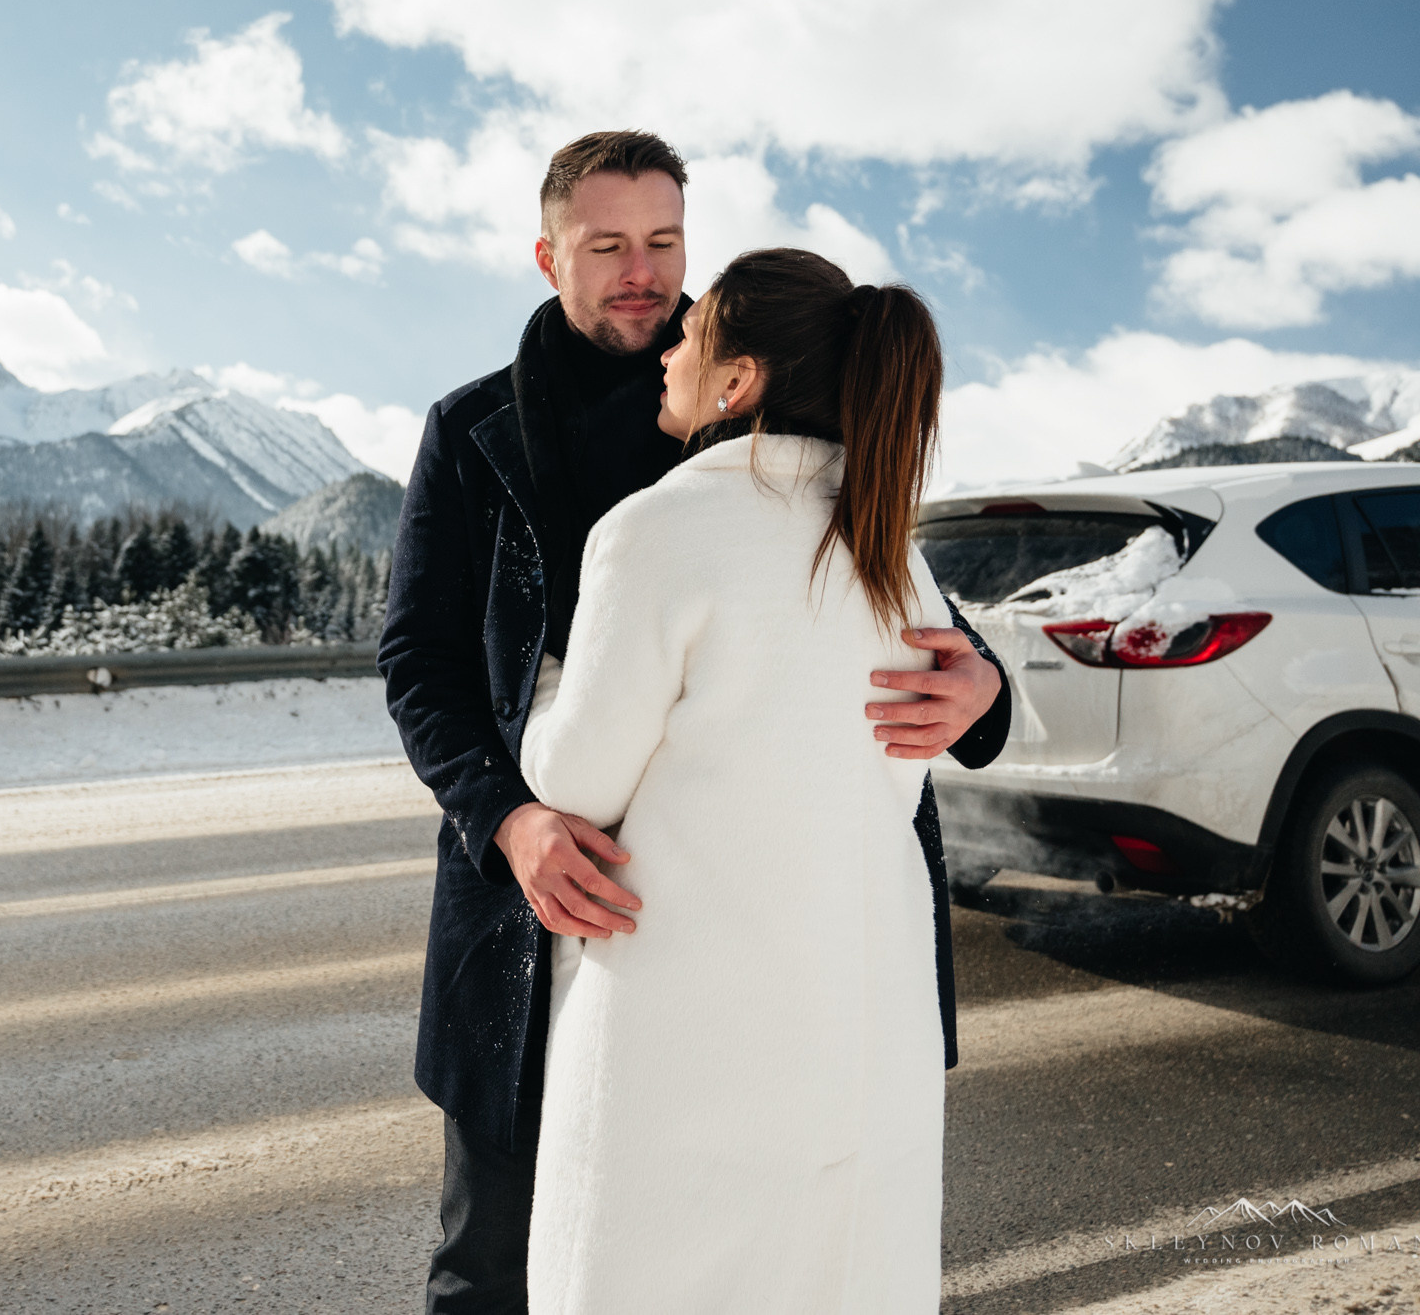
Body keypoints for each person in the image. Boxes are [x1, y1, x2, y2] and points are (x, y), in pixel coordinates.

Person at [378, 131, 1009, 1313]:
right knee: (492, 1267)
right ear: (546, 254)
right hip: (533, 907)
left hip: (764, 947)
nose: (641, 273)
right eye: (606, 244)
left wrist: (986, 690)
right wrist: (508, 819)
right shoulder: (474, 433)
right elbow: (418, 661)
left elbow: (925, 625)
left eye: (663, 242)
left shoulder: (799, 435)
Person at [521, 247, 954, 1310]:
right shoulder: (890, 543)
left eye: (694, 325)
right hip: (862, 1013)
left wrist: (541, 702)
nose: (669, 341)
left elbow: (577, 775)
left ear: (737, 381)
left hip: (690, 1029)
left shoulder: (657, 532)